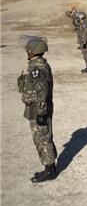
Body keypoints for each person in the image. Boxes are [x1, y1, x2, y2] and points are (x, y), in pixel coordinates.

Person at [17, 36, 58, 183]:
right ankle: (50, 165)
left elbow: (41, 92)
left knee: (42, 139)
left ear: (31, 51)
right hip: (37, 109)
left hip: (38, 110)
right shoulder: (38, 66)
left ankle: (50, 171)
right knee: (43, 138)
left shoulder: (37, 69)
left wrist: (41, 113)